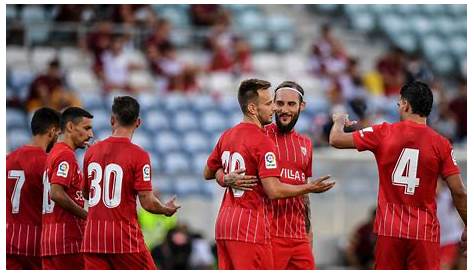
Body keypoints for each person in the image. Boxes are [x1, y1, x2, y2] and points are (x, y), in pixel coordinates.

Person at [329, 81, 467, 269]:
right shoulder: (441, 144)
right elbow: (459, 191)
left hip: (389, 230)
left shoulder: (383, 132)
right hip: (424, 232)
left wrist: (338, 121)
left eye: (399, 103)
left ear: (406, 104)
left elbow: (335, 139)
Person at [203, 79, 335, 270]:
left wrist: (308, 233)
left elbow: (303, 194)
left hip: (297, 235)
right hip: (266, 232)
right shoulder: (261, 136)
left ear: (301, 106)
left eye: (291, 104)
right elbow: (272, 189)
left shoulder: (305, 143)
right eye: (277, 103)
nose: (281, 109)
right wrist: (225, 178)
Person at [81, 96, 180, 270]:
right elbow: (148, 203)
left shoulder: (91, 152)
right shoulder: (138, 155)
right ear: (138, 122)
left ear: (112, 120)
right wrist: (165, 209)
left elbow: (87, 194)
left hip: (93, 237)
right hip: (123, 237)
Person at [6, 107, 61, 270]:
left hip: (8, 241)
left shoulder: (8, 159)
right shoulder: (49, 163)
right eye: (58, 134)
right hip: (36, 243)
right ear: (52, 132)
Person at [41, 107, 94, 269]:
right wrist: (88, 216)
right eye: (86, 128)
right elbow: (56, 193)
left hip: (49, 240)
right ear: (70, 127)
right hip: (67, 240)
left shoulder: (53, 153)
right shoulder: (66, 155)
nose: (90, 135)